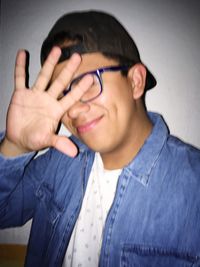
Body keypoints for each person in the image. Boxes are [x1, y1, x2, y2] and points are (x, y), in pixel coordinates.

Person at [0, 10, 200, 267]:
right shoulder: (58, 164)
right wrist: (15, 147)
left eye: (89, 82)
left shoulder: (193, 190)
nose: (72, 110)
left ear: (135, 81)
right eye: (63, 94)